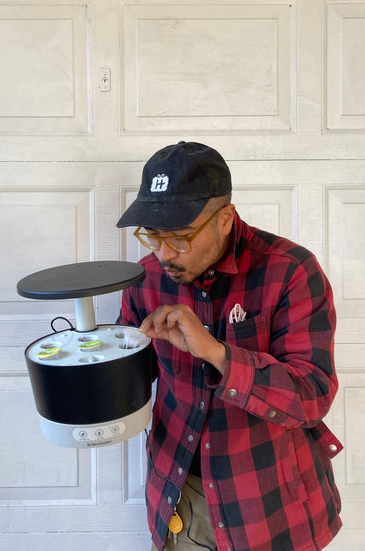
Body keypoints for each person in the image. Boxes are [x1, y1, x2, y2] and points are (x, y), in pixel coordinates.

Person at [116, 141, 342, 551]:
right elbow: (128, 379)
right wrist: (85, 361)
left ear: (224, 219)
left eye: (181, 237)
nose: (165, 253)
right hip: (177, 499)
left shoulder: (290, 271)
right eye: (153, 235)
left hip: (269, 506)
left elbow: (313, 395)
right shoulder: (146, 277)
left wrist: (216, 352)